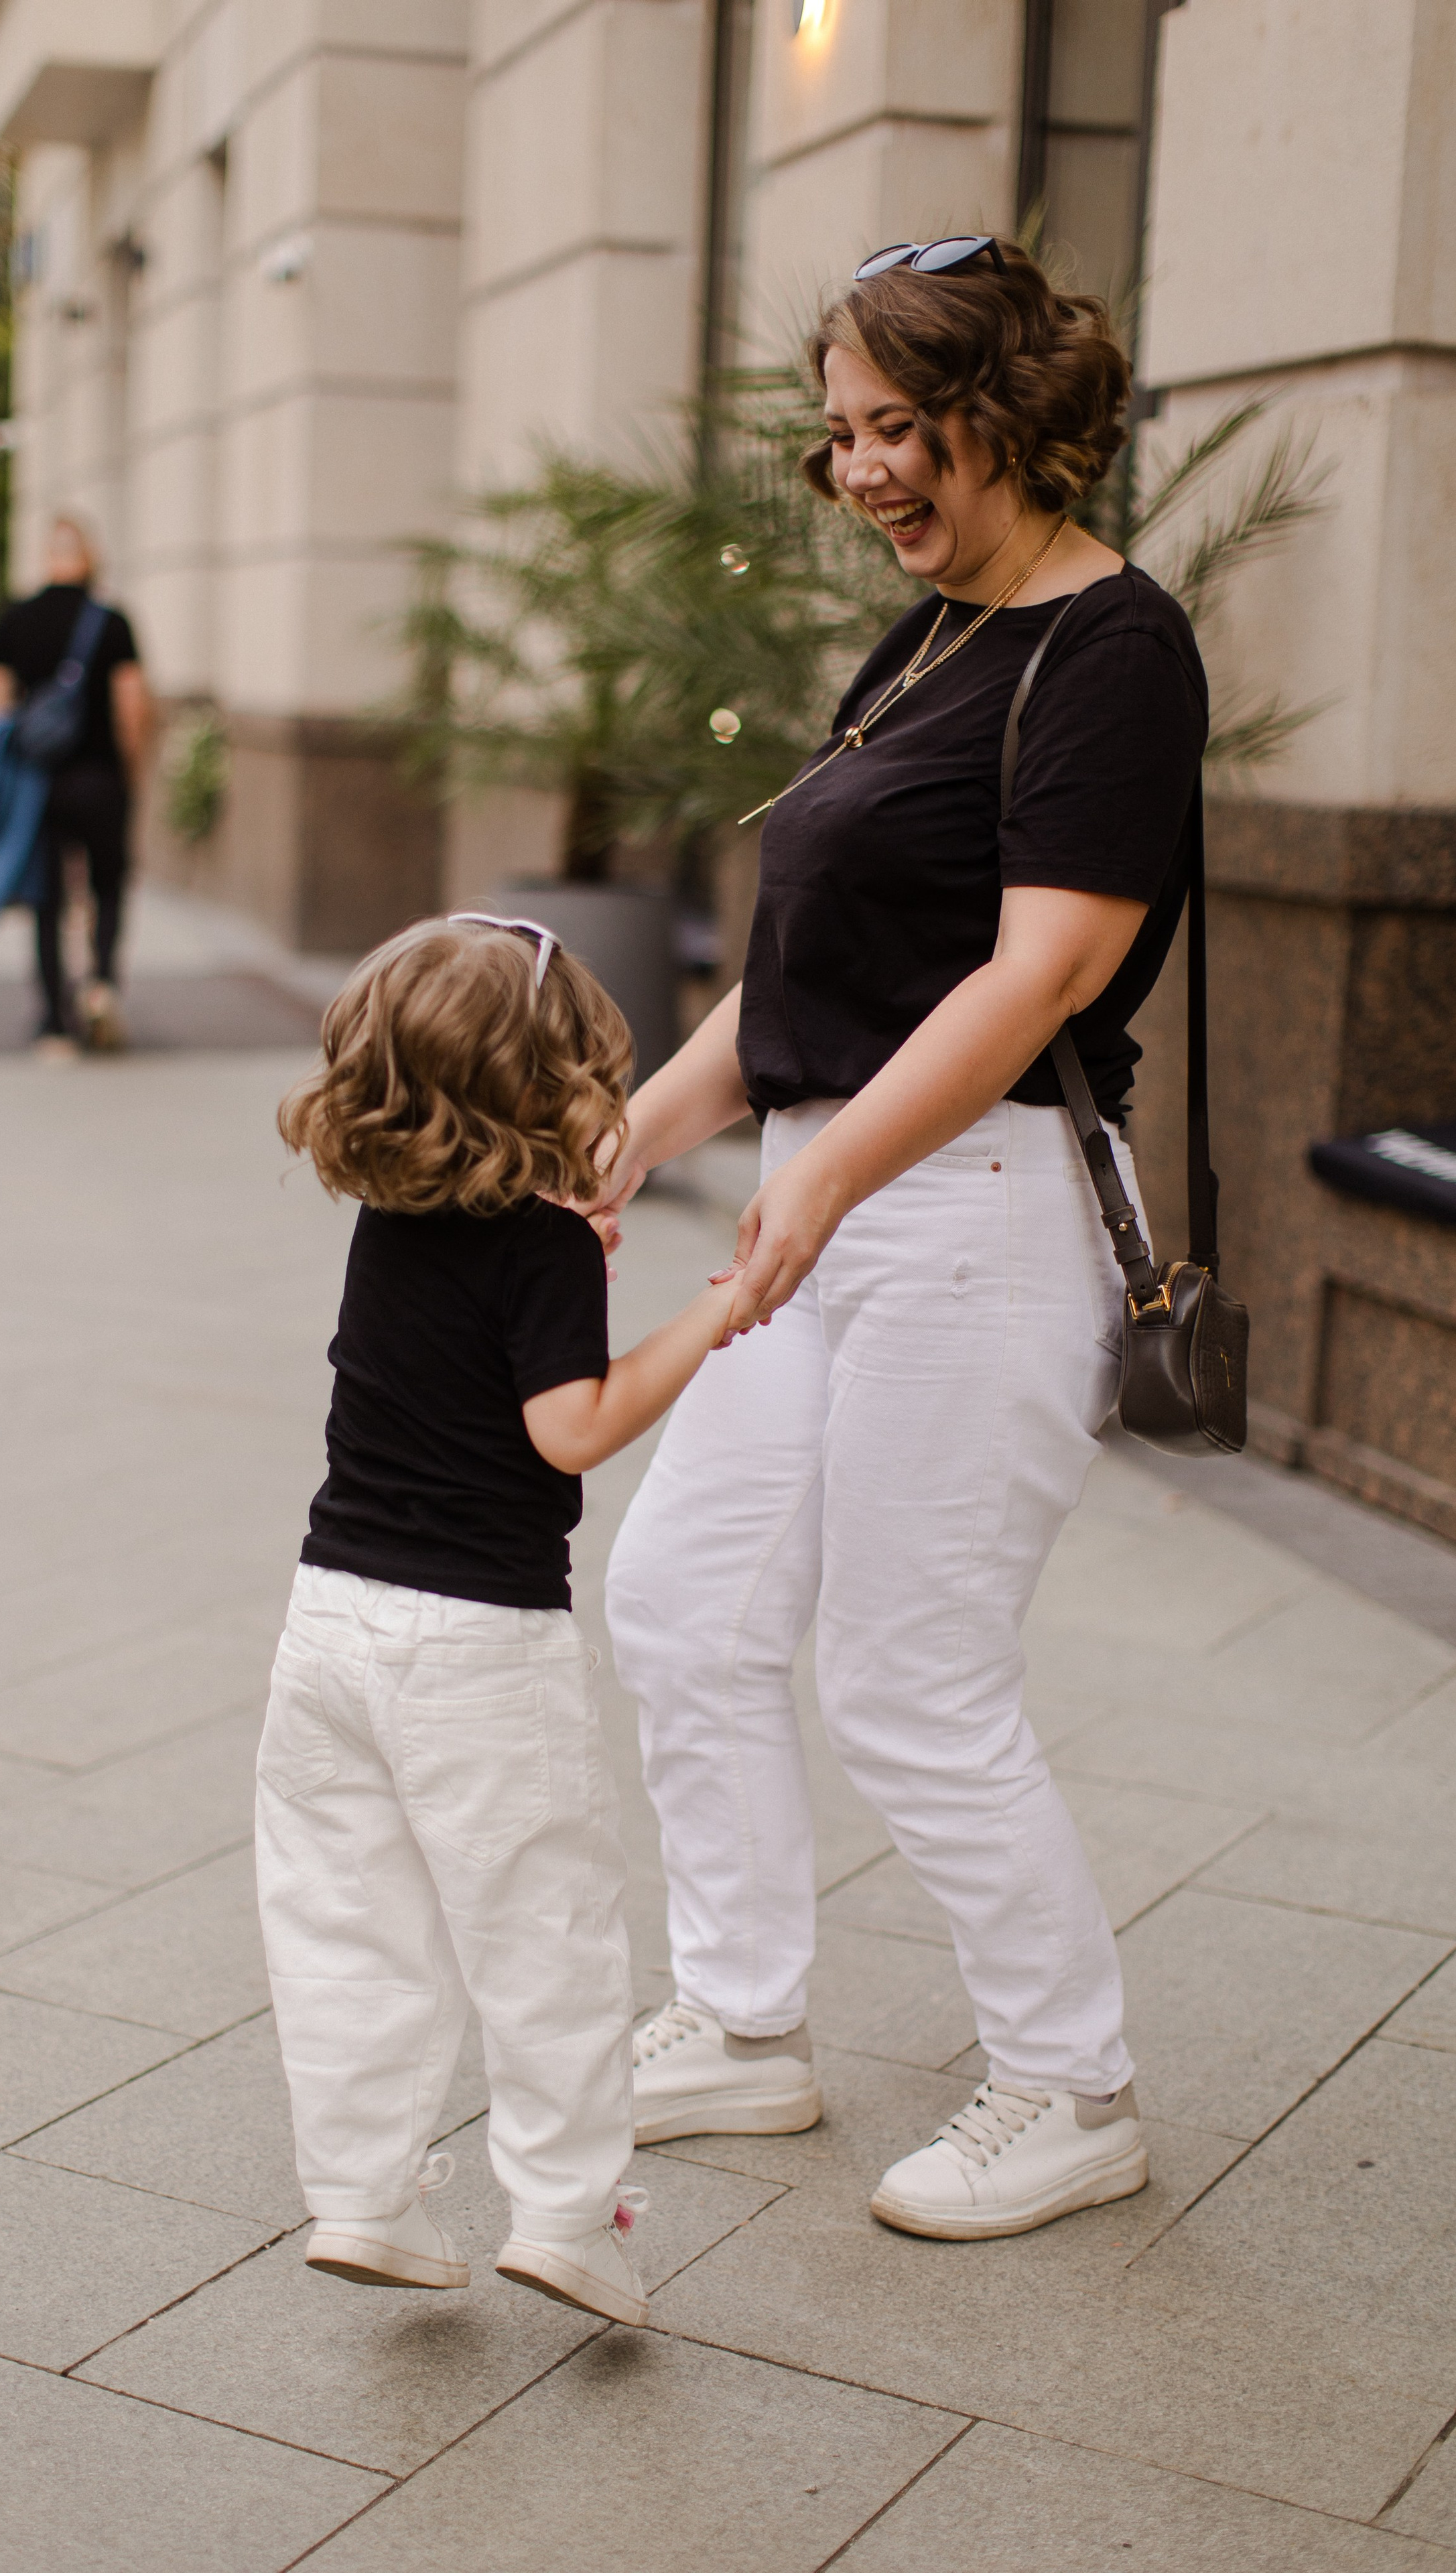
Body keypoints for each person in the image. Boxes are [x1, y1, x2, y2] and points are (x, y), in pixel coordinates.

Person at [597, 235, 1209, 2241]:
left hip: (965, 1217)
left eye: (896, 426)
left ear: (1007, 412)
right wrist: (646, 1130)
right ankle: (746, 2020)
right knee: (685, 1601)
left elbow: (1039, 973)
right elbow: (803, 965)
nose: (858, 469)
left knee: (904, 1669)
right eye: (840, 432)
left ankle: (1067, 2081)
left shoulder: (1110, 648)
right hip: (835, 1190)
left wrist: (827, 1169)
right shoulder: (934, 630)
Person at [258, 914, 745, 2328]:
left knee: (347, 1920)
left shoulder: (388, 1217)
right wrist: (709, 1319)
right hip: (478, 1646)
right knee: (542, 1934)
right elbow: (568, 1432)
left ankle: (360, 2197)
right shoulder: (538, 1247)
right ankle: (564, 2218)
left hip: (330, 1624)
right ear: (548, 1085)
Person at [0, 515, 152, 1059]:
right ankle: (101, 982)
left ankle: (54, 1022)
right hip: (101, 778)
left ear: (46, 557)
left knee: (47, 900)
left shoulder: (16, 619)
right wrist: (131, 772)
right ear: (91, 556)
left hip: (39, 786)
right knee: (107, 885)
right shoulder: (112, 621)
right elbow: (132, 704)